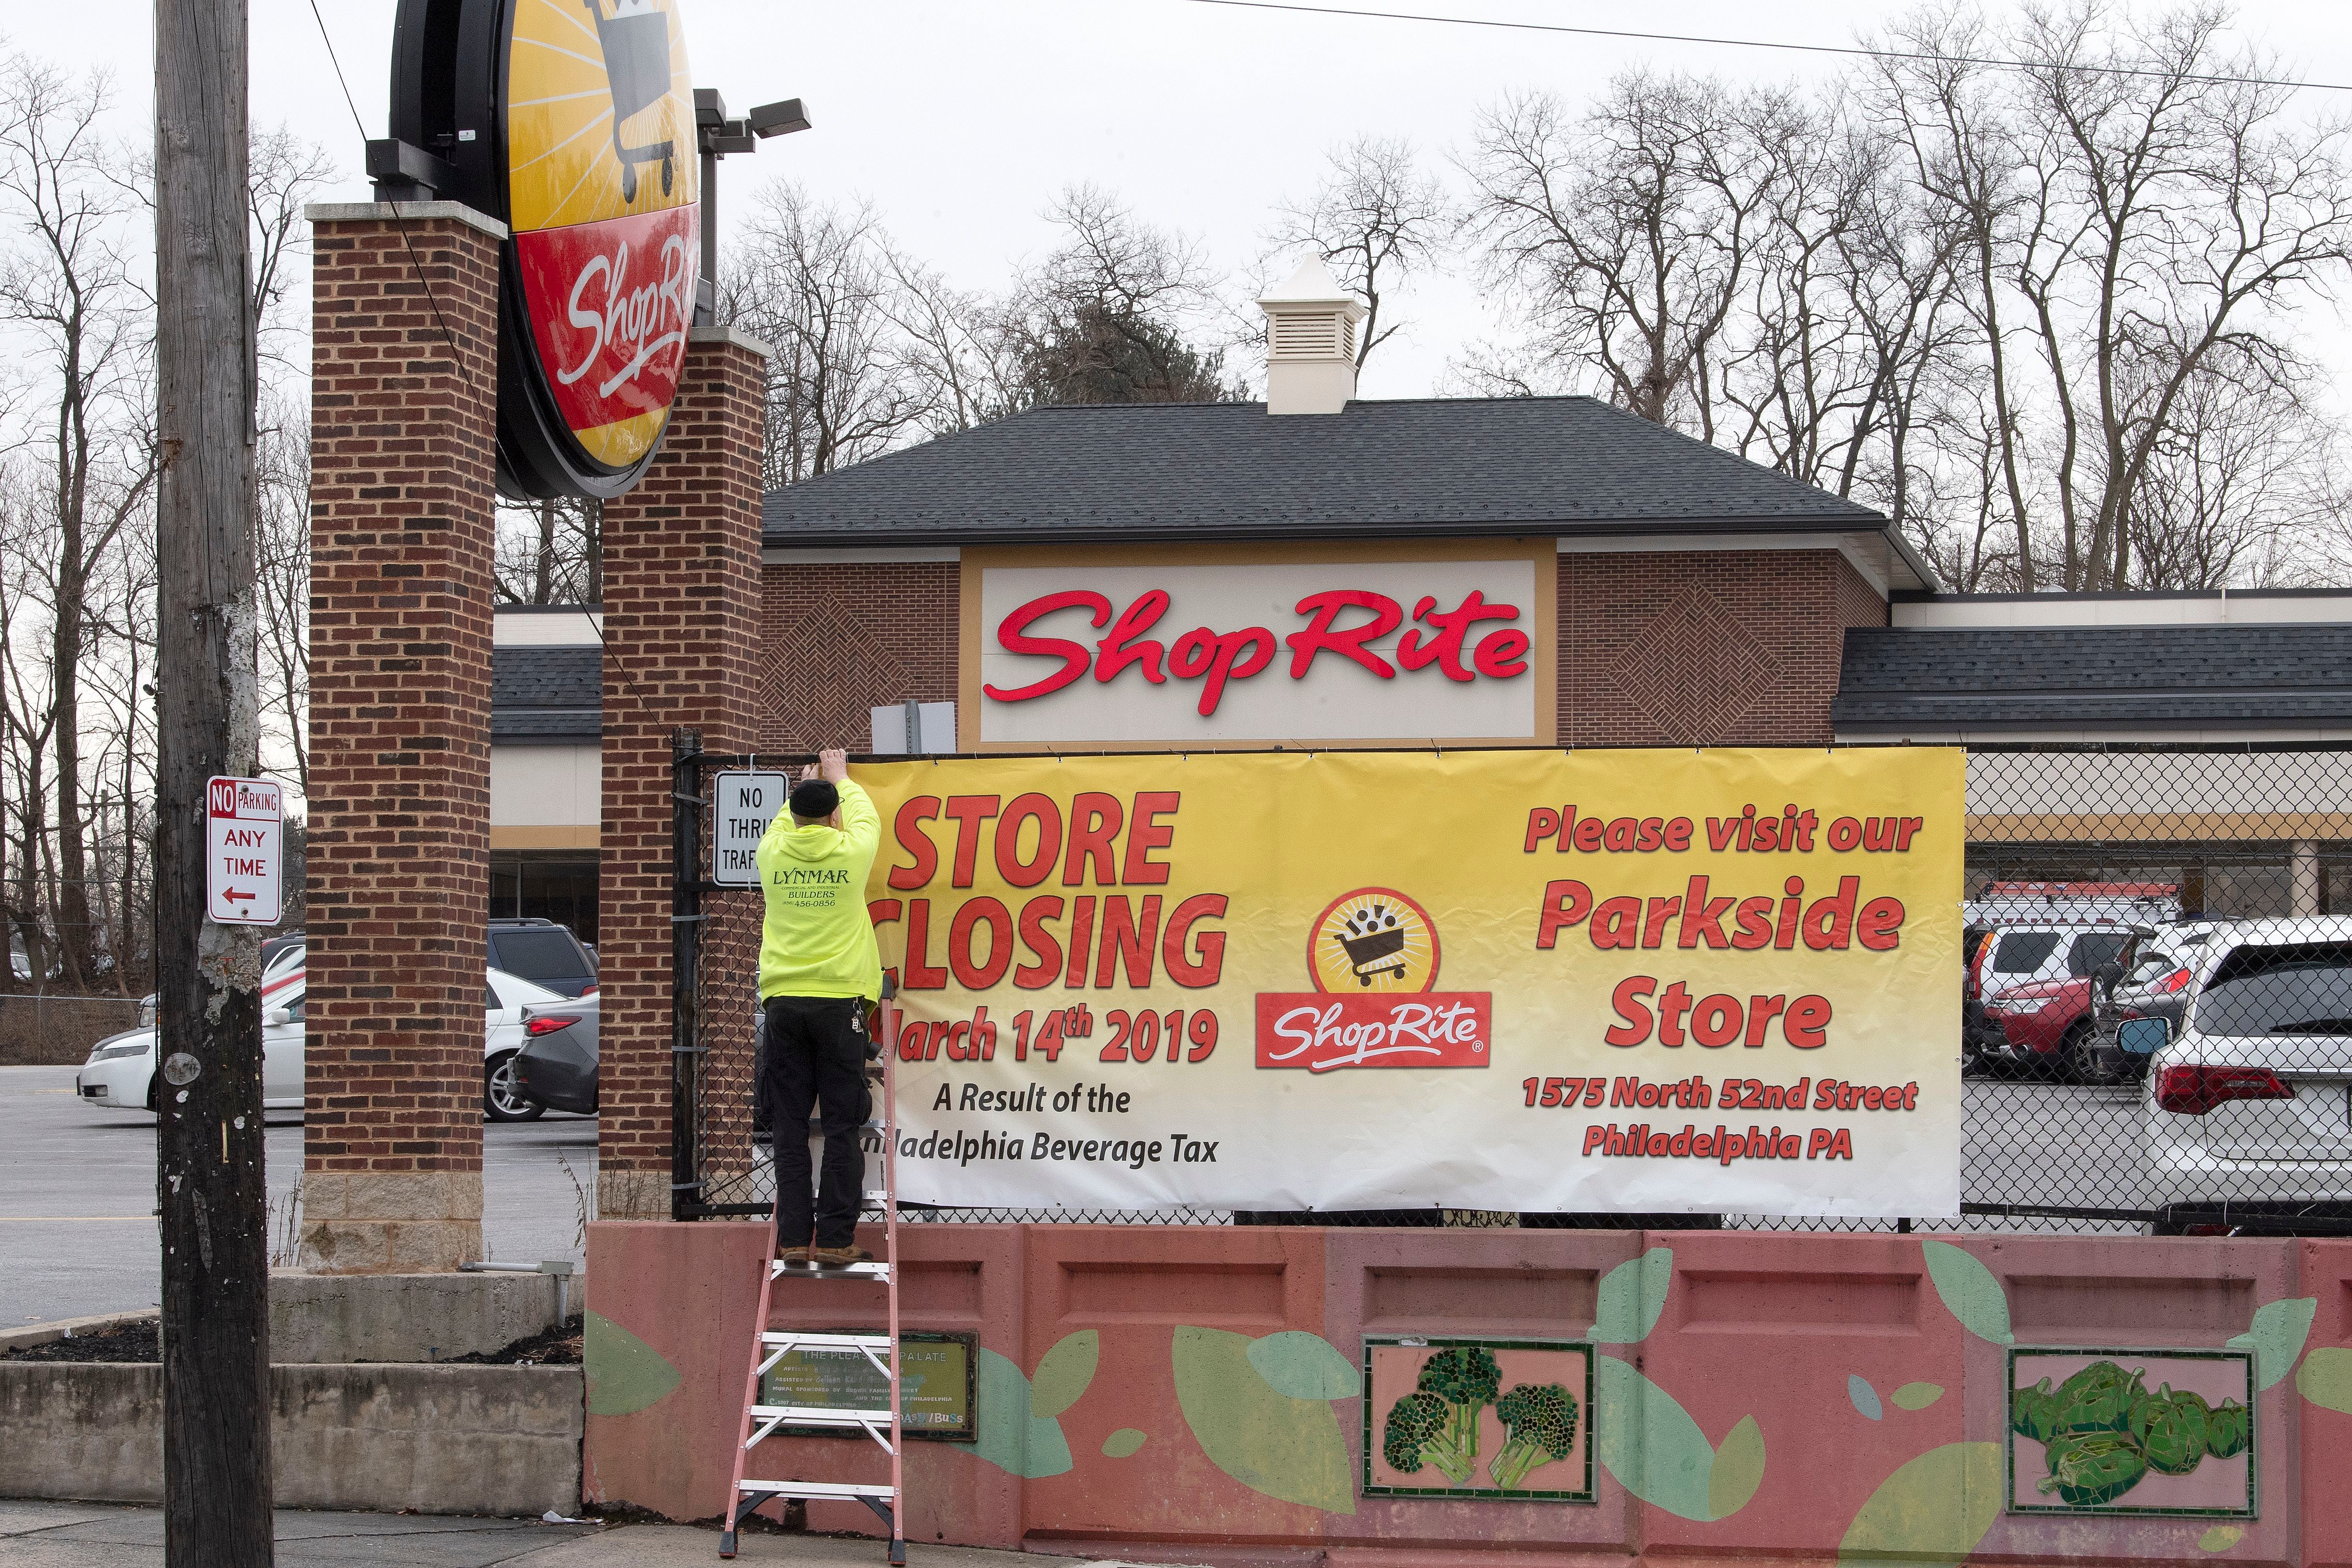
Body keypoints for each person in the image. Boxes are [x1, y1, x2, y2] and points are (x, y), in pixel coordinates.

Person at [756, 748, 882, 1267]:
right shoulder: (851, 853)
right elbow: (866, 815)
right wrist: (841, 778)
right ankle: (833, 1238)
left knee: (788, 1127)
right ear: (834, 816)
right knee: (840, 1124)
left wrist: (804, 788)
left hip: (784, 1000)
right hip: (840, 1000)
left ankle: (791, 1239)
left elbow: (782, 825)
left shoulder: (773, 854)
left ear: (793, 814)